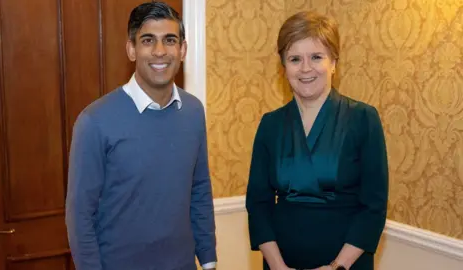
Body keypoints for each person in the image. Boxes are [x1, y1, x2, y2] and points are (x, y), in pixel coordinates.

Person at [65, 2, 217, 270]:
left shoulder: (193, 111)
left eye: (170, 40)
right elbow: (80, 217)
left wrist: (208, 259)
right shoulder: (94, 122)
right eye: (148, 40)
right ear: (132, 49)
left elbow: (200, 189)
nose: (160, 51)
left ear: (182, 50)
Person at [245, 10, 389, 270]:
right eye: (295, 59)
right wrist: (278, 267)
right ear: (284, 67)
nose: (305, 68)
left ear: (334, 62)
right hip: (280, 264)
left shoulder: (363, 119)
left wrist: (336, 267)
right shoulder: (270, 124)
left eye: (316, 57)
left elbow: (373, 208)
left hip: (347, 264)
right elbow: (258, 204)